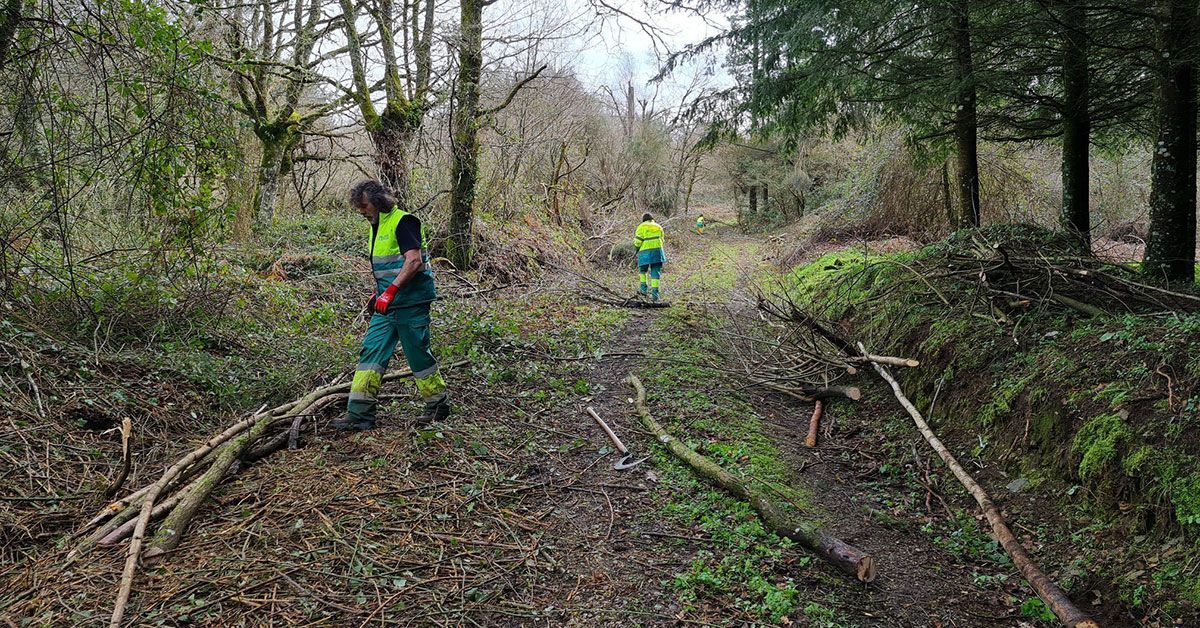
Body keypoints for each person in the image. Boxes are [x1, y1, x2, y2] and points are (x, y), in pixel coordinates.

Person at [336, 180, 449, 431]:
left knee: (417, 353)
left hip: (411, 301)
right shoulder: (377, 225)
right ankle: (360, 413)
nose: (362, 211)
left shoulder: (404, 221)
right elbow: (388, 267)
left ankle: (438, 405)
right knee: (371, 351)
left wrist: (390, 292)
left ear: (377, 202)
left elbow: (413, 262)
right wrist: (377, 294)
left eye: (364, 206)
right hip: (388, 303)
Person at [634, 212, 666, 301]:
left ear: (643, 220)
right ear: (652, 219)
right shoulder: (658, 226)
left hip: (645, 253)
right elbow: (662, 240)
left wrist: (636, 249)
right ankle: (655, 295)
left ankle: (643, 290)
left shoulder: (641, 227)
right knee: (656, 273)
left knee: (643, 271)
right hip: (658, 253)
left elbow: (637, 241)